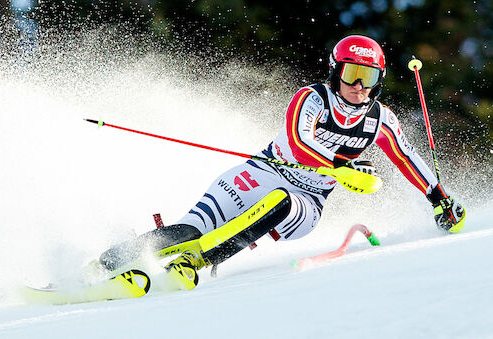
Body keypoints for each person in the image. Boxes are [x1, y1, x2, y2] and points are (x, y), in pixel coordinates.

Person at [90, 35, 466, 288]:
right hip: (261, 171)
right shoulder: (312, 99)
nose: (359, 86)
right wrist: (341, 168)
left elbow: (406, 158)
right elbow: (300, 143)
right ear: (336, 72)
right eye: (351, 74)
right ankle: (102, 266)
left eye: (368, 77)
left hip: (308, 201)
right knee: (190, 229)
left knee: (281, 204)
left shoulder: (379, 119)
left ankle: (197, 262)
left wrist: (439, 199)